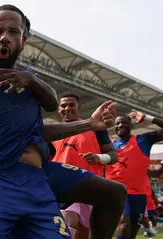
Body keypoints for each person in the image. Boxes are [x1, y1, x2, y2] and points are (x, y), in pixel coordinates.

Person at [0, 4, 125, 239]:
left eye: (13, 32)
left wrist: (89, 124)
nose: (5, 38)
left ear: (23, 41)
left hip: (39, 175)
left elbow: (37, 130)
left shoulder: (27, 85)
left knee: (113, 192)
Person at [45, 92, 117, 239]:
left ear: (79, 107)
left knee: (83, 234)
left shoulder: (95, 128)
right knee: (68, 224)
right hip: (65, 187)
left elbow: (113, 156)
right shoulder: (53, 133)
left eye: (71, 104)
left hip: (91, 186)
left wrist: (99, 157)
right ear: (58, 109)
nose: (67, 108)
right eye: (63, 105)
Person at [105, 110, 163, 239]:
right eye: (117, 124)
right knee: (123, 223)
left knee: (132, 231)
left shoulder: (143, 140)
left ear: (131, 126)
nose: (120, 126)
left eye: (124, 123)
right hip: (118, 191)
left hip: (139, 194)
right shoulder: (109, 146)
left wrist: (148, 117)